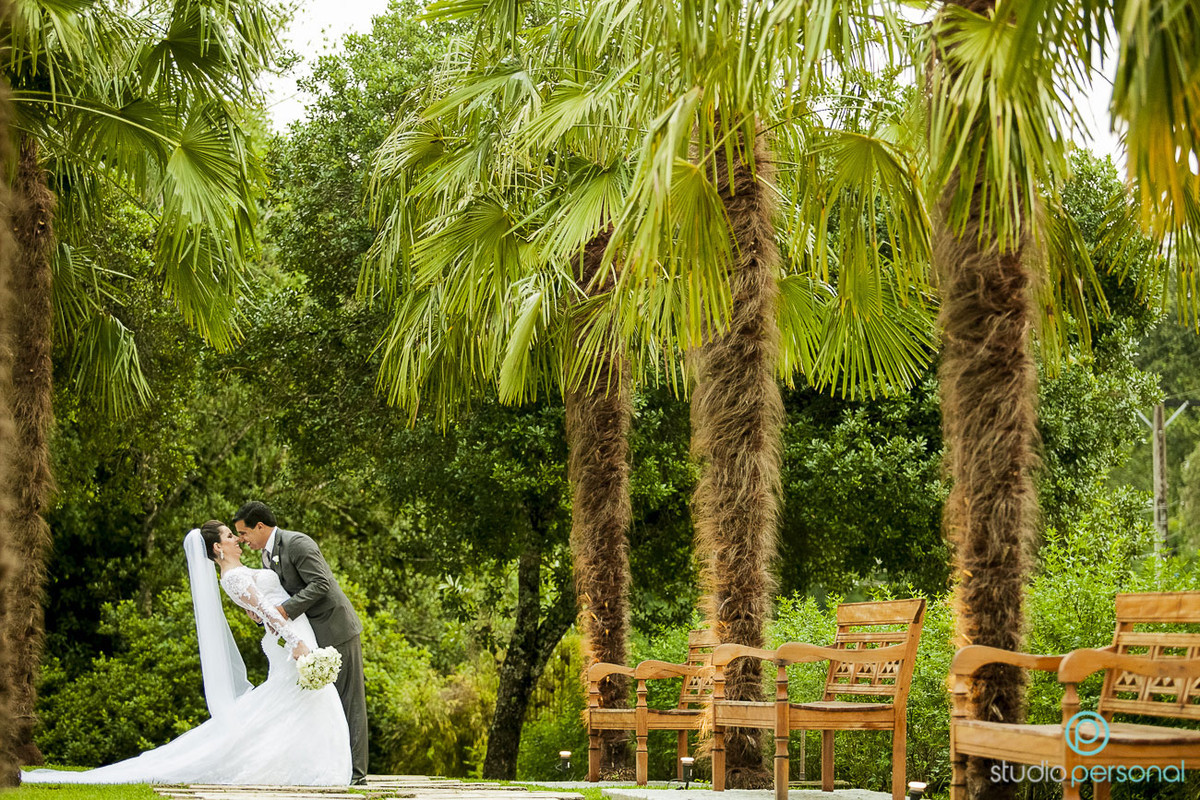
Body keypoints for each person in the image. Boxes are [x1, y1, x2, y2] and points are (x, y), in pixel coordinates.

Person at [22, 522, 351, 786]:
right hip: (292, 640)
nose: (237, 538)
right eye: (228, 536)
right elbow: (269, 612)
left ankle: (302, 764)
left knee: (293, 703)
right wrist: (298, 645)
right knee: (305, 699)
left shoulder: (241, 571)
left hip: (292, 635)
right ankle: (312, 767)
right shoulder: (234, 577)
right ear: (218, 548)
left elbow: (264, 608)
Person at [232, 501, 368, 784]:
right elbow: (279, 595)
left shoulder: (297, 543)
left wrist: (283, 611)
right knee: (322, 704)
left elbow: (321, 583)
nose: (242, 540)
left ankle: (357, 775)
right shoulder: (266, 557)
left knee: (349, 702)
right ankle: (336, 769)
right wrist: (261, 615)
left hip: (336, 627)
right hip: (310, 635)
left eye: (244, 533)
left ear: (260, 526)